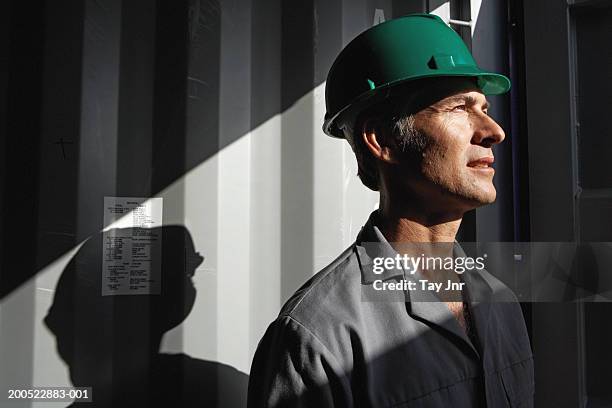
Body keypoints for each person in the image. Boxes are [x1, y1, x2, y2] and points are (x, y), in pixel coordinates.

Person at [248, 13, 533, 407]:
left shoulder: (500, 303)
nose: (494, 130)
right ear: (381, 139)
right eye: (458, 108)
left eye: (484, 107)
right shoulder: (319, 335)